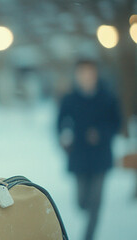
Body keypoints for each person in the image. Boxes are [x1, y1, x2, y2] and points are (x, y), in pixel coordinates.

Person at [57, 59, 121, 240]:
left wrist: (100, 133)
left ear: (95, 74)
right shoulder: (69, 99)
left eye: (89, 72)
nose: (86, 77)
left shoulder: (107, 97)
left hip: (101, 157)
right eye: (82, 73)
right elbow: (60, 122)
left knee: (96, 202)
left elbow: (116, 123)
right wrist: (64, 136)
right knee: (82, 201)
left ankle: (88, 236)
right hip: (78, 156)